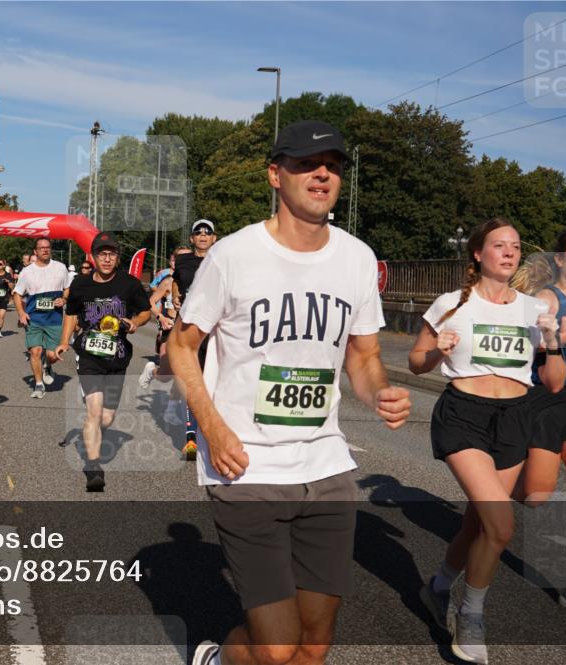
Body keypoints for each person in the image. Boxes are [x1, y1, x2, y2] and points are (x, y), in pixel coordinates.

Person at [168, 120, 412, 665]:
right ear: (275, 175)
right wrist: (212, 427)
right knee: (276, 649)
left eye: (332, 165)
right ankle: (217, 659)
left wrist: (381, 393)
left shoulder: (357, 259)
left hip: (326, 467)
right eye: (306, 163)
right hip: (247, 468)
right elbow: (181, 348)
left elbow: (365, 356)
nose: (322, 173)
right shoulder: (231, 256)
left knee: (315, 644)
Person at [410, 218, 566, 663]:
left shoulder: (533, 309)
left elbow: (554, 383)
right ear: (477, 253)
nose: (510, 252)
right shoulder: (450, 303)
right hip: (464, 417)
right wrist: (438, 347)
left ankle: (437, 587)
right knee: (501, 525)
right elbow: (419, 362)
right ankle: (472, 613)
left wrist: (552, 343)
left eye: (516, 246)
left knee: (478, 524)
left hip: (514, 418)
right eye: (499, 245)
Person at [514, 226, 566, 621]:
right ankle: (494, 486)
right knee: (537, 497)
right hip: (548, 403)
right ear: (561, 260)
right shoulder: (547, 299)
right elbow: (526, 352)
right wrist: (558, 337)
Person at [55, 231, 150, 491]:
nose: (107, 259)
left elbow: (145, 311)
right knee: (94, 411)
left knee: (107, 417)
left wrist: (135, 322)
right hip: (88, 355)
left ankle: (92, 432)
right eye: (102, 254)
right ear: (93, 257)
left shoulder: (129, 284)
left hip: (117, 357)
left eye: (111, 254)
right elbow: (71, 314)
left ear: (117, 258)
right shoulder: (80, 285)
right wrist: (64, 341)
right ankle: (93, 467)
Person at [169, 220, 219, 457]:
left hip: (216, 329)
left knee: (216, 383)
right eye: (197, 233)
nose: (202, 236)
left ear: (214, 238)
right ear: (191, 239)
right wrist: (176, 300)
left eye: (207, 233)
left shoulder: (222, 261)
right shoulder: (183, 261)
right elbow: (176, 283)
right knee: (193, 381)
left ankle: (214, 432)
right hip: (189, 328)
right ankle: (191, 437)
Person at [140, 247, 194, 453]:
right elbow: (151, 302)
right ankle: (152, 370)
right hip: (170, 327)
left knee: (184, 374)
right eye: (177, 258)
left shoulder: (195, 279)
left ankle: (172, 408)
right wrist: (161, 317)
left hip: (188, 330)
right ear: (172, 261)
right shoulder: (167, 282)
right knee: (166, 374)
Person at [13, 237, 71, 398]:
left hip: (54, 319)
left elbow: (67, 288)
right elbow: (17, 294)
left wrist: (64, 299)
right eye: (41, 248)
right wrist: (21, 313)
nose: (45, 250)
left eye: (47, 247)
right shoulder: (27, 271)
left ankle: (47, 365)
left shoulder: (60, 268)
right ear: (35, 251)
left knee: (53, 355)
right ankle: (38, 384)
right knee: (35, 351)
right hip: (34, 319)